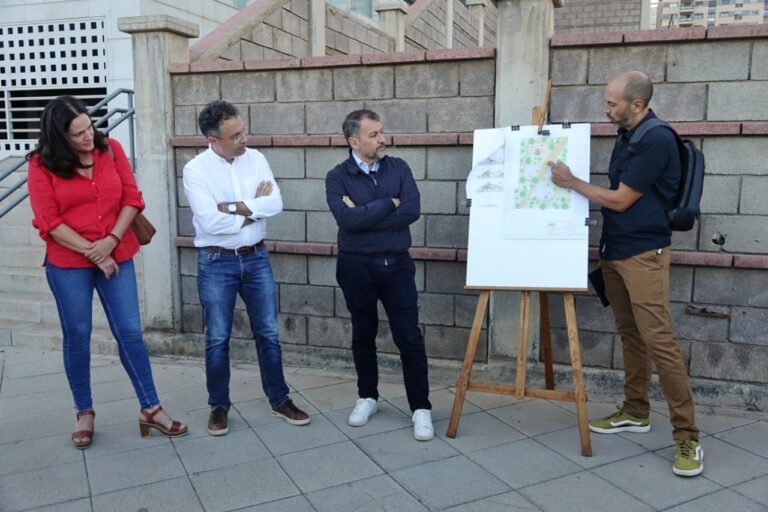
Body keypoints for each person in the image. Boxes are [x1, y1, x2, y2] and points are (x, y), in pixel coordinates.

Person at [547, 71, 702, 477]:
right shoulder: (626, 133)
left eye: (613, 103)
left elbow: (619, 200)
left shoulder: (655, 138)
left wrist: (571, 182)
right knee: (630, 334)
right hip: (615, 252)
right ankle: (635, 410)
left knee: (659, 340)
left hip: (643, 254)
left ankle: (688, 436)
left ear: (637, 104)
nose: (605, 108)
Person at [27, 96, 188, 449]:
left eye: (89, 127)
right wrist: (93, 251)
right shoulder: (41, 164)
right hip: (69, 262)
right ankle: (84, 411)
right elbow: (49, 221)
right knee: (78, 334)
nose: (88, 137)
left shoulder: (110, 149)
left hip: (118, 251)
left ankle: (151, 408)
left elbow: (132, 198)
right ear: (59, 137)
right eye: (78, 134)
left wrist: (111, 239)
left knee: (130, 332)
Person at [183, 100, 309, 435]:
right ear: (213, 140)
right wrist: (255, 208)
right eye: (235, 135)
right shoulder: (196, 170)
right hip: (215, 261)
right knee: (217, 338)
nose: (244, 139)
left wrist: (234, 208)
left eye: (243, 131)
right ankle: (219, 406)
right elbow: (209, 222)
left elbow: (276, 203)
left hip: (256, 258)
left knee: (268, 333)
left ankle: (280, 399)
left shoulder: (257, 159)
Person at [326, 109, 434, 441]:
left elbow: (411, 210)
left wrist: (364, 213)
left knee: (409, 337)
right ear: (353, 141)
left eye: (382, 132)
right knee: (363, 333)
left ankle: (421, 407)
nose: (383, 139)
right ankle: (368, 397)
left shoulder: (399, 167)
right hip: (356, 266)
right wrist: (390, 202)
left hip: (397, 265)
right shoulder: (336, 176)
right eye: (374, 135)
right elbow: (346, 220)